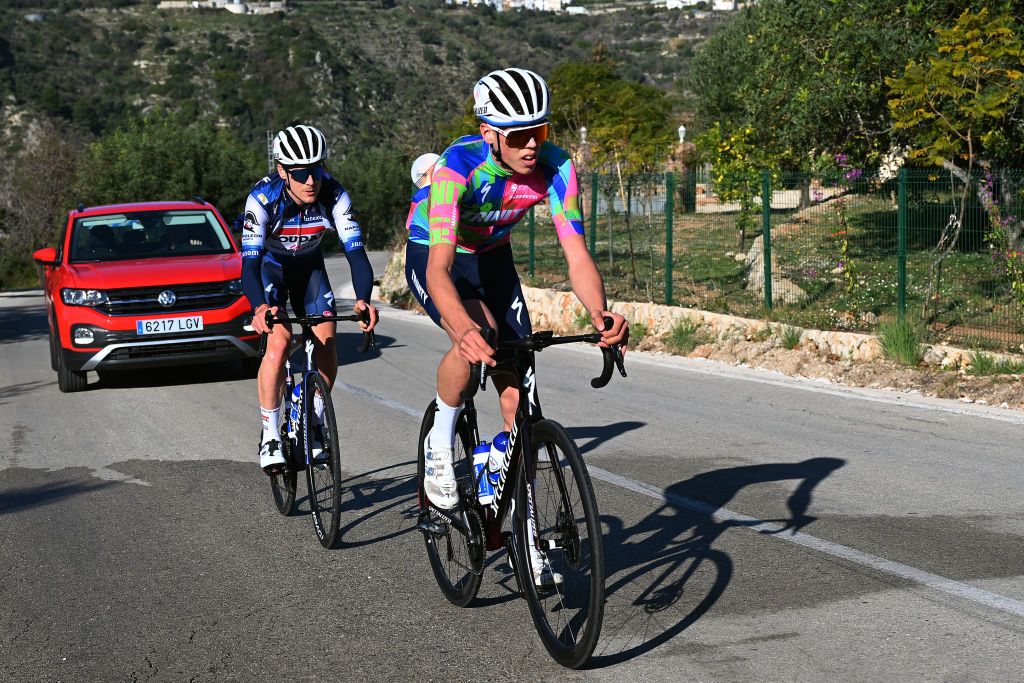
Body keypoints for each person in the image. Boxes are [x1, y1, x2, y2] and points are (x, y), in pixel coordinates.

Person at [405, 68, 628, 584]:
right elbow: (437, 270)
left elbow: (575, 252)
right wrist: (460, 327)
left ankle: (524, 528)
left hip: (493, 256)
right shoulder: (455, 169)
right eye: (519, 135)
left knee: (520, 391)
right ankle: (440, 444)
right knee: (477, 333)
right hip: (438, 255)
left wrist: (601, 314)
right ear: (489, 134)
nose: (532, 145)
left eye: (541, 132)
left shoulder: (555, 167)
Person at [241, 124, 378, 474]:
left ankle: (311, 412)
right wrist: (260, 307)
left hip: (310, 270)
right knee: (280, 340)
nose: (311, 181)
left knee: (327, 343)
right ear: (283, 171)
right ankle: (271, 434)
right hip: (270, 270)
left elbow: (357, 254)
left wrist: (363, 299)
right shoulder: (262, 198)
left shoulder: (334, 193)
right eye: (301, 173)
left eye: (316, 170)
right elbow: (250, 265)